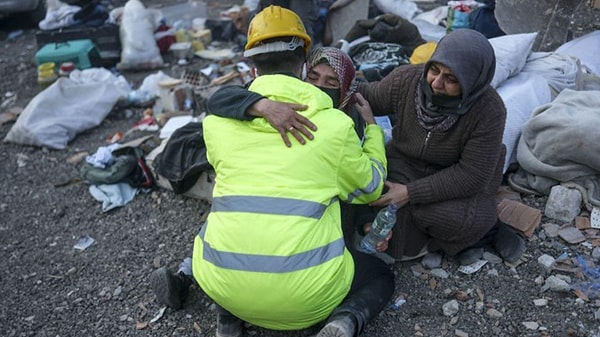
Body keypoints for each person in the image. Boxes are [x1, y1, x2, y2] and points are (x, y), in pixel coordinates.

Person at [230, 29, 526, 265]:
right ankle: (441, 240)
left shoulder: (488, 110)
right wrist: (269, 101)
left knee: (453, 218)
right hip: (406, 166)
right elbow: (363, 94)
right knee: (382, 225)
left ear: (472, 82)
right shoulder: (407, 81)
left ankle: (485, 231)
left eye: (451, 80)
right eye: (434, 70)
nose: (436, 83)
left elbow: (471, 174)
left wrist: (410, 193)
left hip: (455, 176)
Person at [190, 6, 393, 337]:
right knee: (379, 275)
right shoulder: (335, 127)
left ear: (252, 65)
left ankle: (228, 316)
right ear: (303, 62)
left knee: (216, 234)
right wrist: (371, 131)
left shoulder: (217, 124)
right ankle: (344, 322)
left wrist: (257, 108)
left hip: (221, 282)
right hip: (306, 298)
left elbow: (219, 103)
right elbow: (371, 188)